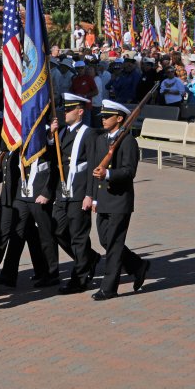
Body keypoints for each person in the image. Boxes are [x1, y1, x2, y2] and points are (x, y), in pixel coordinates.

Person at [89, 100, 149, 300]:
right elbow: (94, 169)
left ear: (120, 119)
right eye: (103, 116)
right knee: (105, 240)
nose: (103, 119)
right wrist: (95, 198)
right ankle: (137, 265)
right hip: (103, 198)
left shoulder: (129, 141)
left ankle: (109, 287)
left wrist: (108, 174)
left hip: (119, 200)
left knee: (114, 244)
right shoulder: (101, 139)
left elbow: (129, 171)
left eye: (107, 116)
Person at [49, 93, 102, 294]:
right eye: (64, 108)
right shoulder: (61, 132)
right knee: (58, 230)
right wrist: (50, 136)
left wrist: (91, 194)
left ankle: (80, 280)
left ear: (80, 112)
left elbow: (91, 167)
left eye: (69, 109)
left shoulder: (88, 134)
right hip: (63, 192)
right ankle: (90, 258)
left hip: (80, 191)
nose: (65, 112)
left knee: (79, 237)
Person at [0, 145, 47, 287]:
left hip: (19, 197)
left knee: (11, 233)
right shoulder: (9, 145)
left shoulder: (26, 146)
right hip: (9, 196)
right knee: (28, 233)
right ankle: (41, 270)